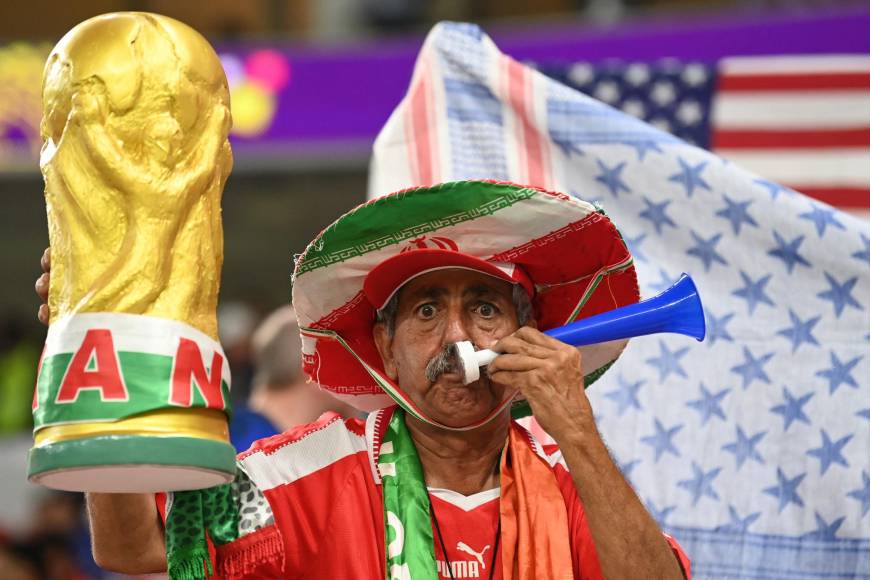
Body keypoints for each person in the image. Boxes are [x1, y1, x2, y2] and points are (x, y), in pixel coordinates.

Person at [36, 181, 690, 579]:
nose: (459, 337)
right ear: (385, 348)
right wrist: (101, 354)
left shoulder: (573, 478)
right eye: (427, 311)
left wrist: (576, 431)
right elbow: (134, 548)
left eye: (486, 309)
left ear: (530, 339)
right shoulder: (308, 475)